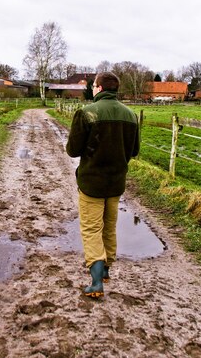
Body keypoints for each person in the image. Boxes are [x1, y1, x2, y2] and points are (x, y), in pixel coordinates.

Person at [65, 72, 140, 298]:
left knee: (91, 229)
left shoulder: (87, 113)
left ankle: (96, 282)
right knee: (109, 226)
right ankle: (106, 270)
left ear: (98, 88)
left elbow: (73, 150)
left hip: (92, 183)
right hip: (116, 182)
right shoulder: (131, 115)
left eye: (93, 86)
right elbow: (134, 151)